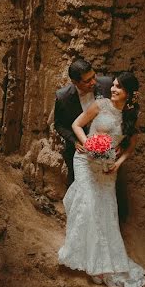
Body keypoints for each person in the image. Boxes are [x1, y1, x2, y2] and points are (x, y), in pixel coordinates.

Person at [57, 71, 145, 287]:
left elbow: (130, 147)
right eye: (113, 85)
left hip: (108, 168)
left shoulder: (132, 115)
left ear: (129, 94)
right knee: (88, 203)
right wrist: (89, 145)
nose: (113, 89)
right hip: (85, 161)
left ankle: (101, 262)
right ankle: (80, 254)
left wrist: (118, 162)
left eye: (119, 88)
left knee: (105, 212)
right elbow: (77, 125)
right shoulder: (101, 104)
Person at [54, 59, 130, 221]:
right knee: (81, 192)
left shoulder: (108, 84)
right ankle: (79, 225)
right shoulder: (63, 97)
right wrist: (75, 141)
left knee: (103, 193)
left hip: (107, 154)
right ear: (75, 82)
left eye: (94, 76)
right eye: (87, 80)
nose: (93, 82)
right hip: (79, 153)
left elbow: (124, 117)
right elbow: (59, 125)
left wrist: (122, 143)